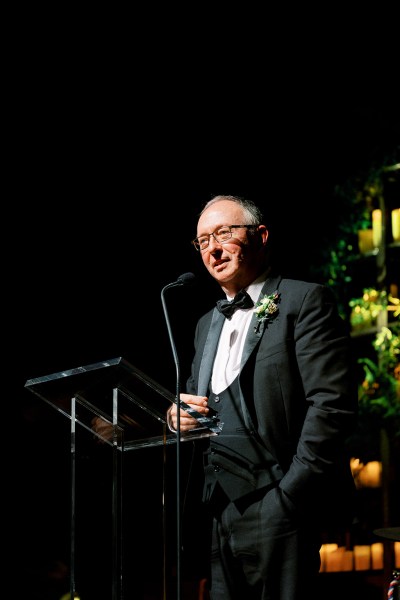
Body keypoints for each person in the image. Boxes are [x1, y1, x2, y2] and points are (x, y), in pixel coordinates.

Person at [167, 194, 358, 600]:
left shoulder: (303, 301)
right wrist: (176, 415)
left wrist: (290, 495)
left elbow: (332, 405)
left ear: (261, 235)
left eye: (224, 233)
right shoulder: (205, 325)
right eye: (203, 241)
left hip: (282, 503)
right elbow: (200, 401)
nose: (213, 249)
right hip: (219, 508)